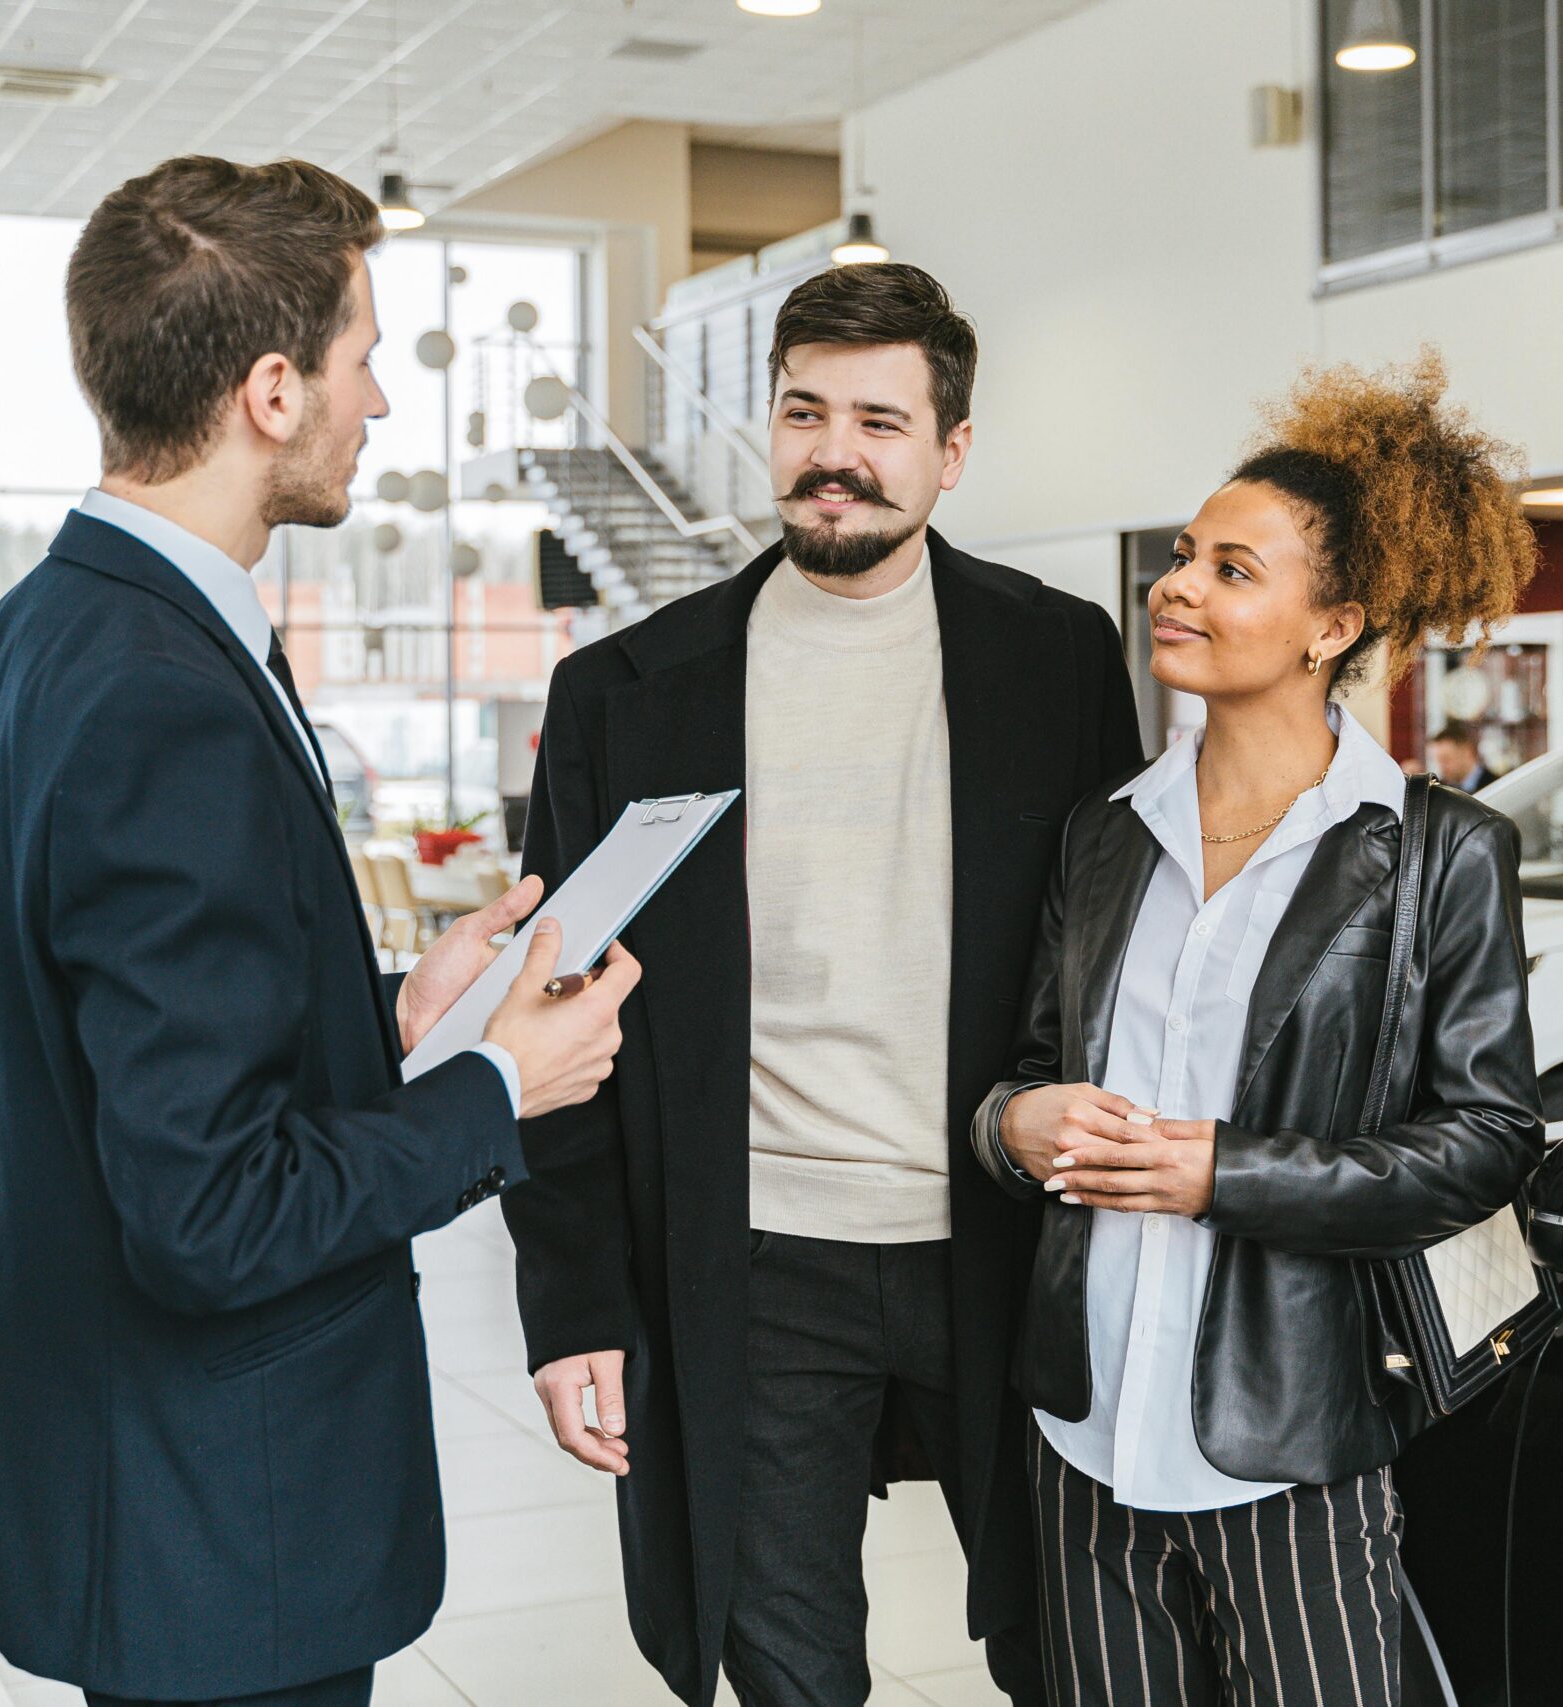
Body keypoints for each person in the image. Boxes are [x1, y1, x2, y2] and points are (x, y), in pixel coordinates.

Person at [0, 156, 641, 1707]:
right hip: (222, 1526)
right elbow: (209, 1214)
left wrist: (394, 1015)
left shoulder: (43, 628)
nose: (378, 402)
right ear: (271, 388)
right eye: (363, 358)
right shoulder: (162, 692)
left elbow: (127, 1034)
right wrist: (492, 1087)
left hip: (137, 1493)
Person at [501, 261, 1145, 1707]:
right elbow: (551, 1015)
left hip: (1004, 1237)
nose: (833, 452)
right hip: (752, 1257)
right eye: (803, 410)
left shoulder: (1058, 658)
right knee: (789, 1665)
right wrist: (571, 1300)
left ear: (951, 449)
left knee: (1078, 1644)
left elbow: (1114, 959)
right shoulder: (625, 691)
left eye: (878, 417)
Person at [971, 350, 1544, 1704]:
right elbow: (1035, 1068)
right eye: (1183, 555)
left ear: (1330, 624)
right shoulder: (1108, 835)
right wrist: (1012, 1121)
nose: (1178, 585)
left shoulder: (1434, 852)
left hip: (1290, 1424)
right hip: (1086, 1416)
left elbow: (1486, 1139)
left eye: (1234, 568)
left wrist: (1221, 1171)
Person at [1428, 715, 1500, 792]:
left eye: (1446, 759)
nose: (1442, 767)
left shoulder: (1497, 786)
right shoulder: (1439, 791)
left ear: (1467, 753)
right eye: (1439, 761)